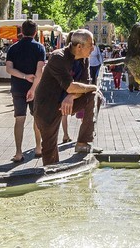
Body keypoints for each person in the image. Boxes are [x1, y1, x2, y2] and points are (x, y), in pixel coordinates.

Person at [27, 28, 99, 165]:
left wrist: (71, 96)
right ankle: (51, 178)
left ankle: (83, 142)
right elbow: (72, 86)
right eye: (91, 45)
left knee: (95, 96)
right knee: (49, 150)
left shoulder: (84, 60)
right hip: (46, 106)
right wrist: (91, 87)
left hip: (67, 102)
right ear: (79, 46)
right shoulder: (57, 57)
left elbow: (84, 85)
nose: (93, 49)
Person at [4, 20, 47, 163]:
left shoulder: (13, 48)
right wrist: (33, 88)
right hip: (37, 89)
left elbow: (9, 69)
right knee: (37, 118)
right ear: (35, 32)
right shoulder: (40, 48)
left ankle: (18, 152)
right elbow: (39, 71)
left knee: (19, 119)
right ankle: (38, 147)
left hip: (17, 87)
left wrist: (23, 76)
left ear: (21, 31)